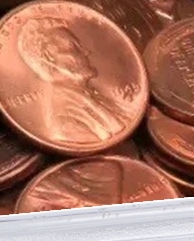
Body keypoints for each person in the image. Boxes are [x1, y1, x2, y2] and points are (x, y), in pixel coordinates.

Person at [17, 16, 131, 147]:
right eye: (73, 46)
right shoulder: (66, 123)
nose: (86, 52)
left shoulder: (100, 99)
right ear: (49, 56)